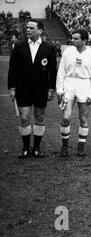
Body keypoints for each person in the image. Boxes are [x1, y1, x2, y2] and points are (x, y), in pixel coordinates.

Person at [7, 19, 57, 158]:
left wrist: (51, 88)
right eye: (27, 28)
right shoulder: (18, 46)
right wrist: (12, 87)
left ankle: (36, 147)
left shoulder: (49, 47)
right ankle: (25, 147)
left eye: (31, 28)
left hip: (41, 88)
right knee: (24, 118)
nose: (28, 30)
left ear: (40, 31)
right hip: (23, 88)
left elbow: (53, 71)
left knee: (39, 116)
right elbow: (12, 70)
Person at [56, 29, 91, 157]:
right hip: (69, 84)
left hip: (85, 85)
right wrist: (59, 90)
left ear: (84, 40)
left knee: (83, 118)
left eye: (76, 38)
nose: (73, 40)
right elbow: (61, 72)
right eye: (73, 38)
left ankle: (81, 147)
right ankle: (64, 146)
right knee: (66, 117)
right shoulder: (68, 52)